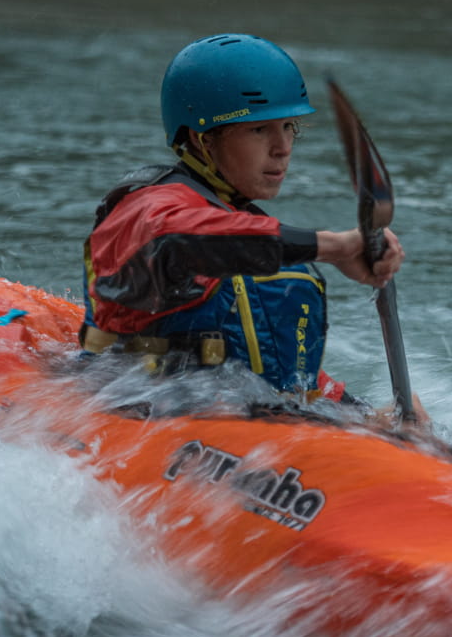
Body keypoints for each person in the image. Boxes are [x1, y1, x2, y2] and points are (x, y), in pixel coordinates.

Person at [79, 33, 405, 409]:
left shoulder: (241, 220)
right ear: (203, 141)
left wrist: (365, 415)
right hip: (132, 404)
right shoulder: (149, 207)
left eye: (288, 127)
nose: (282, 147)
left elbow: (284, 372)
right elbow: (181, 237)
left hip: (236, 416)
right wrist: (335, 246)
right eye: (258, 129)